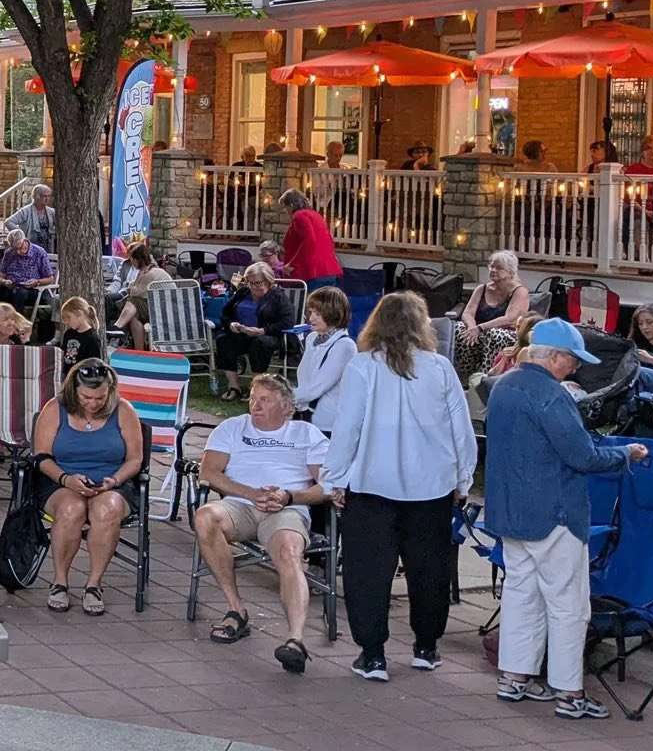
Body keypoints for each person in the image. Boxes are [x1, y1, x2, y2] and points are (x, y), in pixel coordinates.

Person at [485, 320, 648, 719]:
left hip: (511, 512)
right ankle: (570, 693)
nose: (576, 367)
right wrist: (626, 453)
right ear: (555, 356)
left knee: (521, 596)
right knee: (568, 606)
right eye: (573, 359)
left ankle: (514, 678)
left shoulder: (503, 386)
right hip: (554, 515)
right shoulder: (552, 395)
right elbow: (583, 457)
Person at [321, 291, 475, 682]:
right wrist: (464, 478)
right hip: (432, 486)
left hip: (372, 485)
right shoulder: (440, 368)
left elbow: (348, 428)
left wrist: (334, 477)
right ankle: (426, 647)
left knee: (368, 572)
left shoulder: (362, 367)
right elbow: (462, 430)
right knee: (430, 569)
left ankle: (373, 655)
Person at [194, 374, 331, 672]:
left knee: (289, 553)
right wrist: (250, 493)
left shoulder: (306, 434)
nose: (255, 406)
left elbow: (327, 486)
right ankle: (236, 609)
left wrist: (289, 496)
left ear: (286, 407)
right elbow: (209, 472)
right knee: (205, 516)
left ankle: (295, 640)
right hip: (239, 504)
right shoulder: (232, 427)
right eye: (253, 399)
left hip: (286, 509)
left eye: (264, 401)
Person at [29, 360, 144, 616]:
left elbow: (135, 459)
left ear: (110, 390)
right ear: (74, 390)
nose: (93, 403)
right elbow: (41, 457)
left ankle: (94, 584)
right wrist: (66, 479)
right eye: (86, 397)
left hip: (112, 482)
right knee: (72, 509)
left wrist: (114, 480)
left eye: (100, 397)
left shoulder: (123, 410)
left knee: (106, 510)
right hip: (61, 479)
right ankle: (60, 581)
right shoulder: (55, 407)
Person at [214, 263, 292, 400]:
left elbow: (288, 321)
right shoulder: (242, 293)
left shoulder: (278, 296)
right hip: (242, 333)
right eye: (250, 283)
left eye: (257, 283)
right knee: (223, 340)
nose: (253, 287)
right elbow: (225, 314)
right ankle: (234, 386)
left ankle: (255, 389)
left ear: (268, 281)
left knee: (259, 344)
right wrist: (231, 324)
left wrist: (263, 330)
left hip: (267, 335)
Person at [453, 249, 528, 377]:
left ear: (510, 271)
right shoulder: (481, 289)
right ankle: (463, 374)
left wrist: (480, 328)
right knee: (460, 328)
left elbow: (508, 319)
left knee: (494, 334)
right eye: (491, 266)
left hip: (507, 334)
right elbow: (468, 313)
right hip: (480, 331)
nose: (493, 270)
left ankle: (486, 375)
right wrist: (471, 328)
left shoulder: (519, 292)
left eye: (499, 268)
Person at [291, 286, 356, 433]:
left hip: (328, 423)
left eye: (318, 314)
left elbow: (317, 387)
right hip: (305, 415)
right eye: (311, 312)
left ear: (333, 314)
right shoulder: (312, 338)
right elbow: (305, 378)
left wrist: (280, 396)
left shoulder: (344, 345)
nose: (311, 318)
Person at [276, 189, 342, 290]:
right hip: (328, 270)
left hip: (312, 272)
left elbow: (309, 240)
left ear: (292, 205)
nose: (285, 211)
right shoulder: (316, 215)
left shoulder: (299, 216)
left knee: (309, 300)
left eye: (286, 206)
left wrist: (292, 264)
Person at [109, 241, 171, 349]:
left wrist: (137, 279)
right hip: (160, 305)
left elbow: (135, 292)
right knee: (134, 317)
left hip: (164, 309)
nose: (131, 262)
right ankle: (139, 350)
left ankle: (118, 326)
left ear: (137, 260)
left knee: (134, 301)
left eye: (132, 259)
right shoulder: (152, 270)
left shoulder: (149, 273)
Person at [0, 228, 55, 309]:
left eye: (20, 248)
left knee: (20, 293)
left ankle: (15, 316)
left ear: (24, 241)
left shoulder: (39, 253)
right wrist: (4, 282)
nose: (17, 252)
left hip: (31, 290)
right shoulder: (9, 253)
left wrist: (37, 282)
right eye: (14, 249)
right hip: (11, 288)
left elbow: (50, 279)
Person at [55, 296, 104, 370]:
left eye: (69, 317)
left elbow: (95, 362)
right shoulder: (68, 333)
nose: (66, 322)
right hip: (66, 373)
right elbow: (62, 353)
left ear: (79, 314)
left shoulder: (92, 338)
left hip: (82, 375)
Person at [4, 184, 56, 253]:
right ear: (37, 196)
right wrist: (21, 235)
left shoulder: (51, 212)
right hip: (29, 248)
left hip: (47, 249)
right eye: (44, 196)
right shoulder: (25, 211)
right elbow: (8, 222)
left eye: (49, 196)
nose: (47, 199)